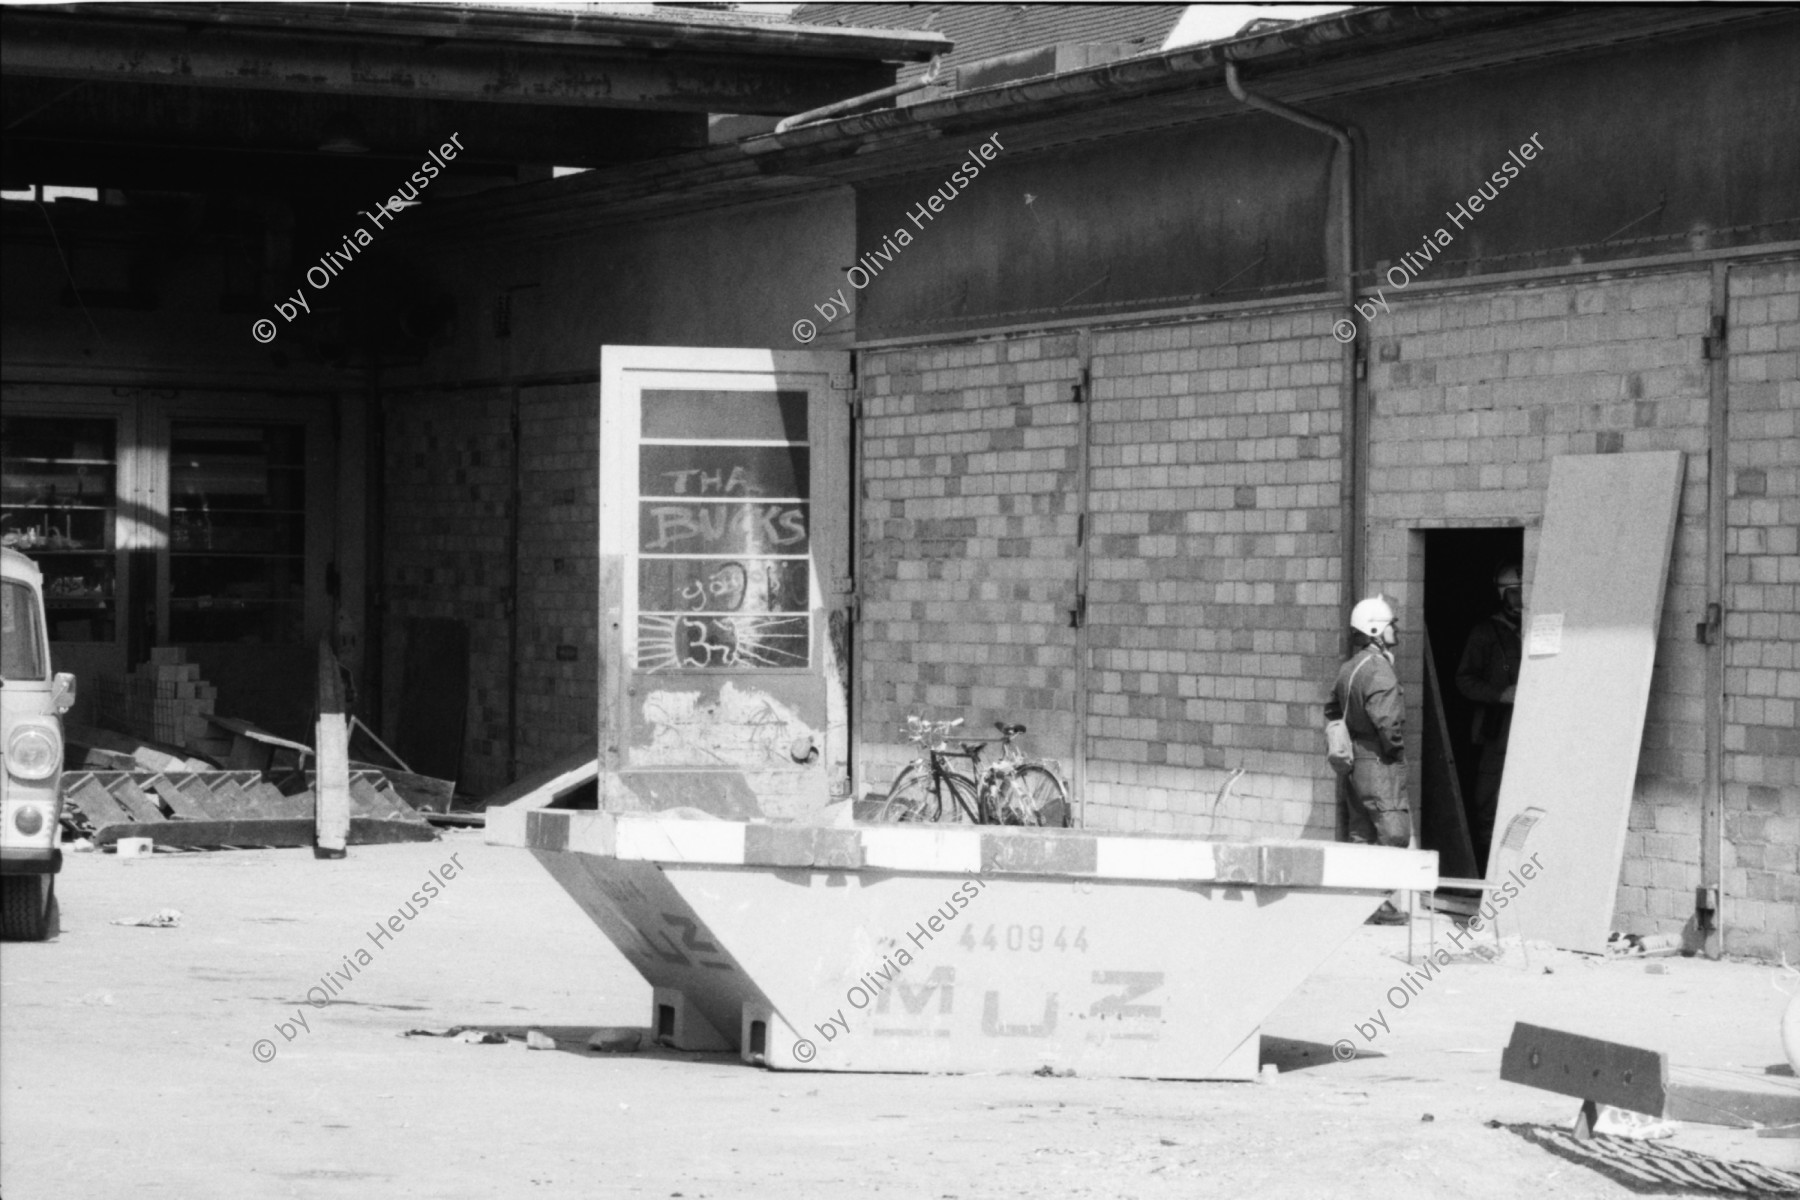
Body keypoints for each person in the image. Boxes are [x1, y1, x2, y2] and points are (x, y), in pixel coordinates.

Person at [1326, 595, 1410, 924]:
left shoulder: (1349, 668)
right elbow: (1388, 723)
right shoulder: (1380, 671)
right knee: (1392, 832)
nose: (1396, 630)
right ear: (1375, 629)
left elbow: (1332, 710)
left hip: (1355, 762)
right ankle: (1383, 905)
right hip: (1378, 761)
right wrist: (1395, 752)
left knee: (1361, 832)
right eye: (1392, 625)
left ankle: (1360, 905)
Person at [1456, 564, 1523, 871]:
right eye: (1514, 592)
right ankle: (1487, 870)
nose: (1520, 599)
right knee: (1489, 800)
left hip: (1531, 731)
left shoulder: (1537, 628)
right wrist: (1499, 694)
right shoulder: (1486, 632)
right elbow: (1464, 679)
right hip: (1499, 732)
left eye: (1524, 591)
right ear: (1502, 595)